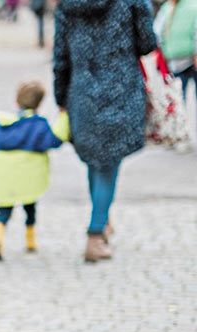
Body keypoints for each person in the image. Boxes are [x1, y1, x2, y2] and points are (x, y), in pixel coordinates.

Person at [53, 0, 157, 262]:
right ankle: (96, 233)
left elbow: (60, 56)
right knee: (108, 162)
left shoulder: (67, 4)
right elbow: (147, 42)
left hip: (81, 90)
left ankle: (102, 217)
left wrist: (61, 98)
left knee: (95, 159)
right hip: (120, 87)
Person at [0, 80, 69, 260]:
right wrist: (64, 115)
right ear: (39, 103)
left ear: (16, 101)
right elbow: (57, 139)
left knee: (4, 211)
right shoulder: (38, 126)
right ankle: (30, 241)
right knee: (30, 207)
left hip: (5, 179)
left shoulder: (0, 124)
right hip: (29, 179)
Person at [155, 0, 197, 136]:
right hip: (178, 59)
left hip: (186, 58)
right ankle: (180, 132)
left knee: (178, 97)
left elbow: (157, 33)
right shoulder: (167, 8)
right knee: (178, 98)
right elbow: (158, 33)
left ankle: (180, 133)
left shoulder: (190, 6)